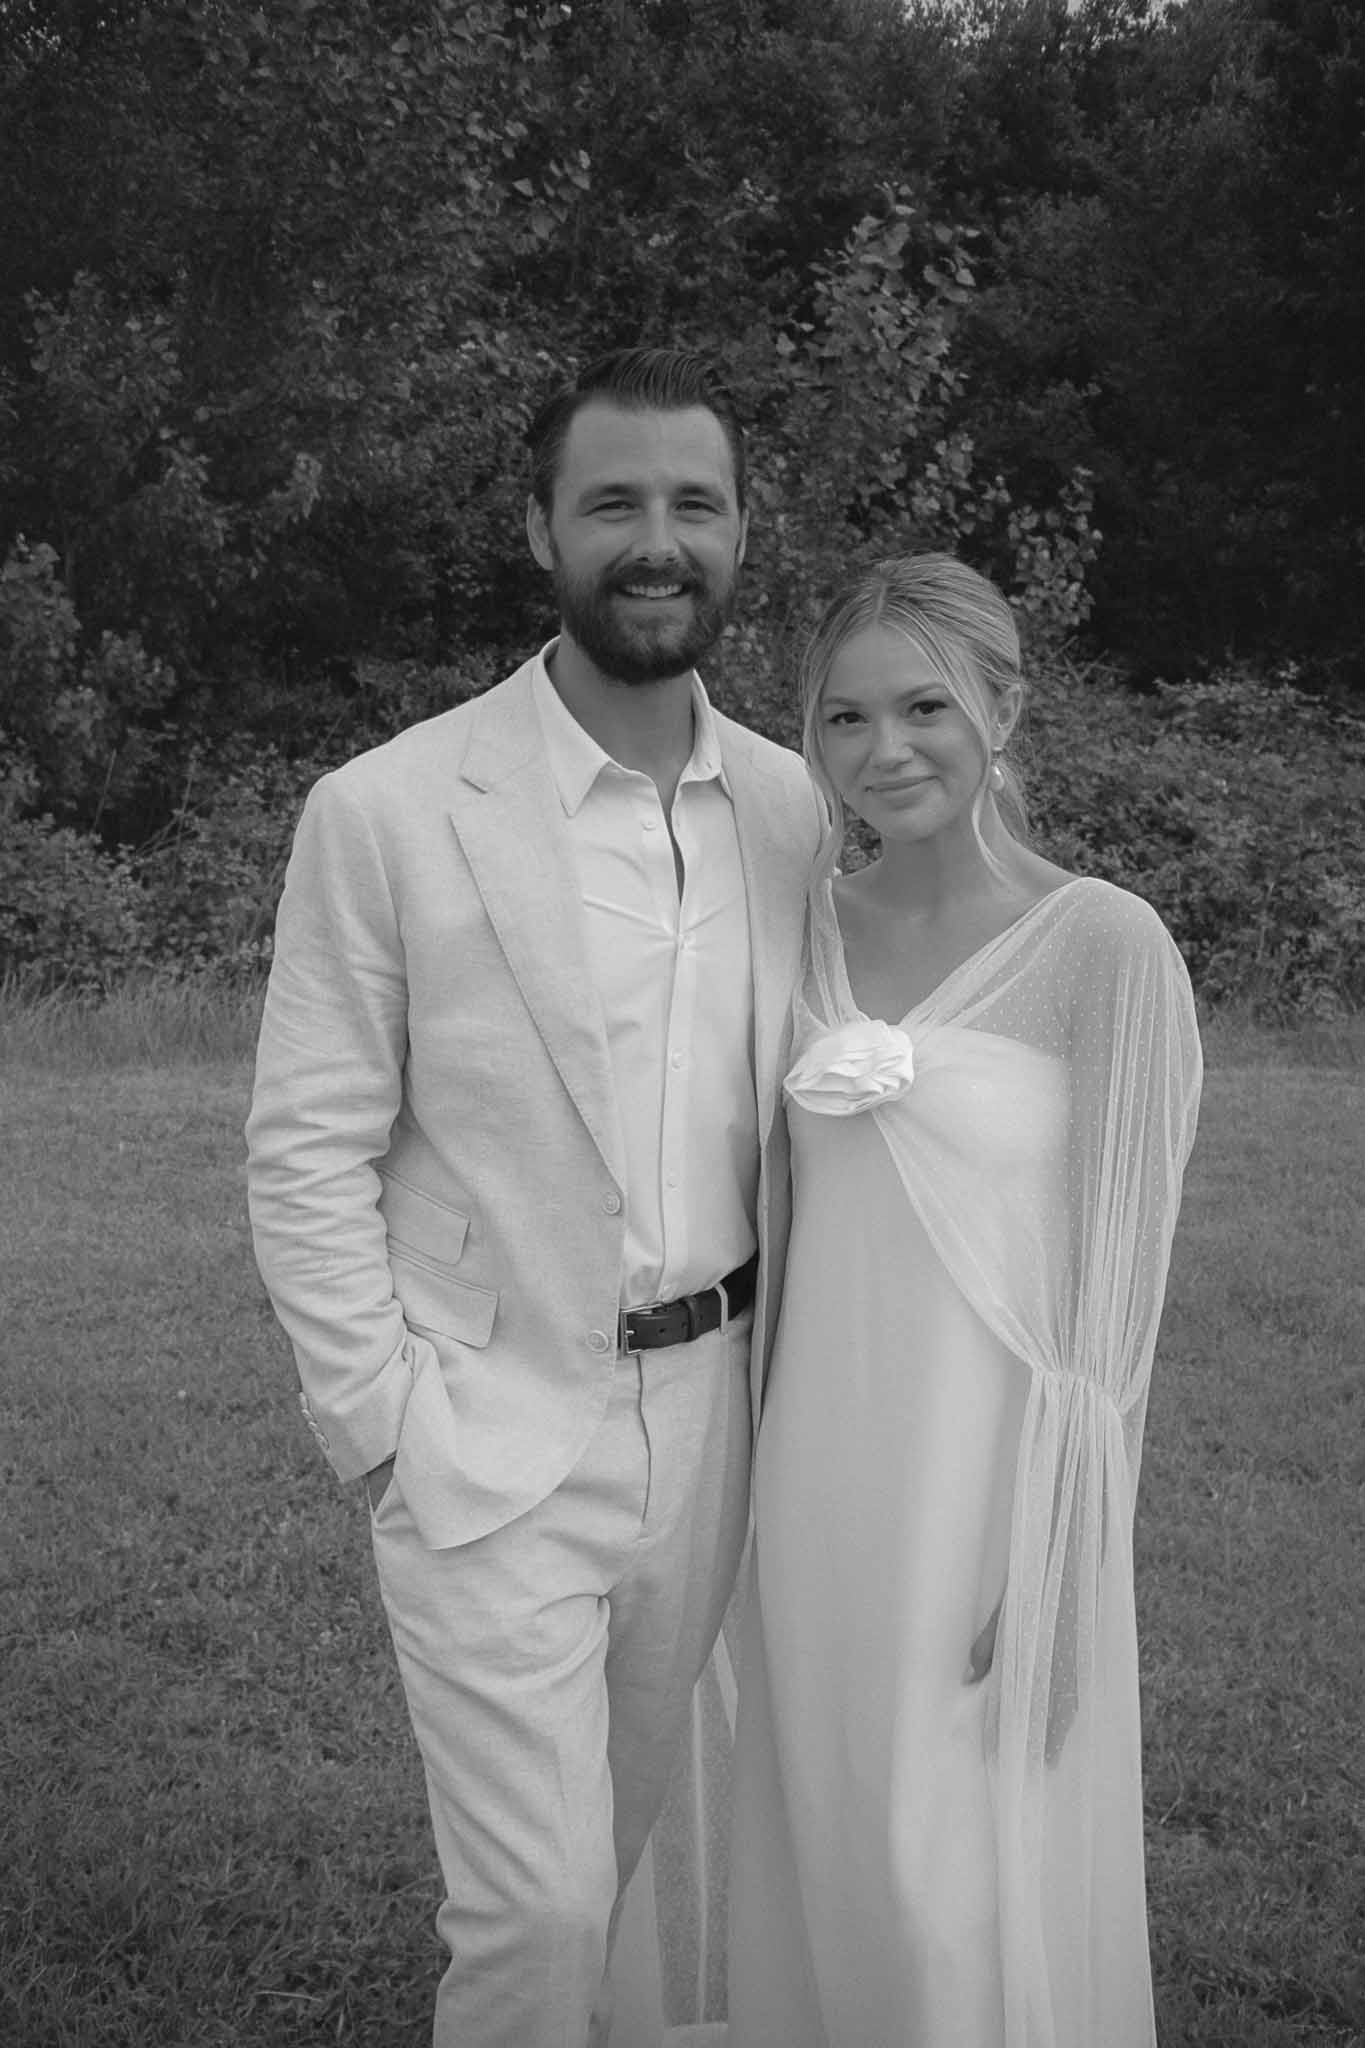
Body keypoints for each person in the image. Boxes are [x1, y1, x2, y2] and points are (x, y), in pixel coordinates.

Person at [244, 347, 823, 2048]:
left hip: (715, 1412)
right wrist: (379, 1423)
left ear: (738, 531)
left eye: (694, 505)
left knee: (624, 1857)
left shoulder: (787, 805)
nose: (659, 543)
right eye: (615, 504)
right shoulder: (391, 809)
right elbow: (305, 1144)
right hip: (486, 1425)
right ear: (539, 529)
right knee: (538, 1909)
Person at [724, 554, 1202, 2048]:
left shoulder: (1101, 947)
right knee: (835, 1837)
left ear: (1004, 710)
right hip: (812, 1475)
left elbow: (1114, 1313)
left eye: (924, 706)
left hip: (990, 1485)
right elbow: (778, 1227)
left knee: (953, 1886)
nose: (884, 752)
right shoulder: (797, 930)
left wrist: (1062, 1564)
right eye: (843, 720)